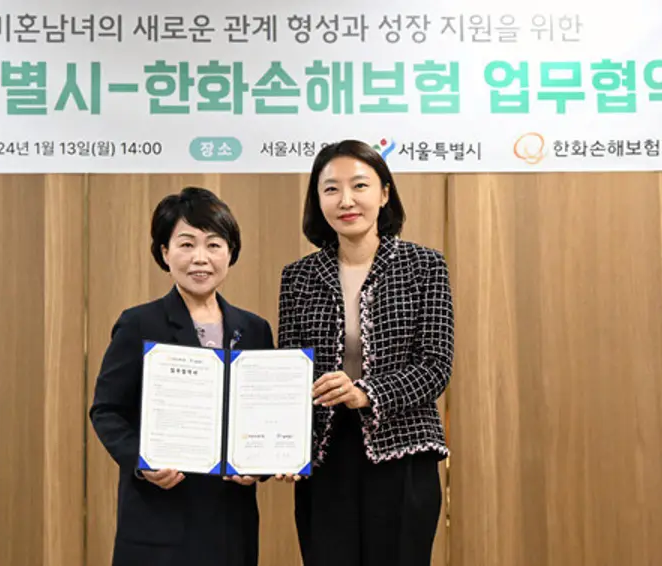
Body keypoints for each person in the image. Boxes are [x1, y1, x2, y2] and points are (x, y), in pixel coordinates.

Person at [275, 140, 455, 566]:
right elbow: (288, 372)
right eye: (331, 189)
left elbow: (435, 365)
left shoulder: (425, 266)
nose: (346, 200)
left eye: (359, 185)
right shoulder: (298, 277)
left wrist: (365, 392)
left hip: (403, 448)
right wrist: (281, 446)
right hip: (326, 453)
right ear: (317, 200)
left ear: (384, 193)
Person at [89, 187, 275, 566]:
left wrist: (263, 465)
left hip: (230, 522)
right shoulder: (139, 323)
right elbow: (107, 411)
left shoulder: (254, 329)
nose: (200, 258)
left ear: (230, 252)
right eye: (186, 244)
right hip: (161, 519)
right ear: (164, 252)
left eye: (213, 245)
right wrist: (143, 461)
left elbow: (265, 414)